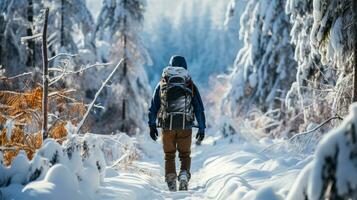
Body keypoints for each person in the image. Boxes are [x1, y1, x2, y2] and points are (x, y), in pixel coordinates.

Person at [148, 55, 206, 191]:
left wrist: (152, 124)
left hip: (167, 125)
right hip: (186, 125)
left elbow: (154, 106)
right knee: (184, 154)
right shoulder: (189, 83)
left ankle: (171, 180)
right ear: (185, 66)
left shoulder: (163, 82)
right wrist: (201, 128)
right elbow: (199, 108)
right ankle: (184, 175)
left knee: (169, 155)